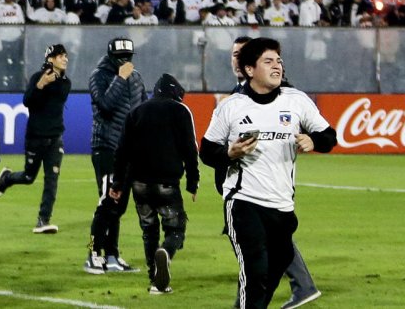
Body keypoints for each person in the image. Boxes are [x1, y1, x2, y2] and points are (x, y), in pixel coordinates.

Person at [200, 38, 337, 309]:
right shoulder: (231, 106)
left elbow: (329, 136)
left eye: (279, 60)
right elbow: (206, 151)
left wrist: (314, 141)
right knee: (255, 272)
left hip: (283, 206)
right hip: (243, 202)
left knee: (272, 274)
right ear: (250, 70)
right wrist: (230, 154)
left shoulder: (296, 100)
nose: (277, 66)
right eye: (269, 61)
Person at [226, 37, 322, 309]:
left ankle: (300, 287)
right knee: (255, 253)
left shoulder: (284, 94)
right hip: (242, 191)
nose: (236, 59)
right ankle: (296, 288)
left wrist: (311, 139)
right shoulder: (238, 95)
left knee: (258, 254)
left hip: (270, 193)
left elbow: (319, 131)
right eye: (233, 54)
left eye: (240, 55)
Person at [109, 73, 199, 295]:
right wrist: (193, 181)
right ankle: (166, 252)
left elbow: (122, 151)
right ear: (175, 93)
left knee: (149, 231)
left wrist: (118, 183)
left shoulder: (136, 112)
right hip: (166, 184)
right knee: (176, 229)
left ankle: (155, 282)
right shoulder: (180, 110)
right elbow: (190, 148)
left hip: (139, 184)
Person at [84, 37, 147, 274]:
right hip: (106, 147)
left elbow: (142, 110)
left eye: (128, 58)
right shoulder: (98, 76)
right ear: (111, 57)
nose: (125, 62)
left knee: (118, 206)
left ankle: (111, 255)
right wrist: (120, 78)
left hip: (128, 151)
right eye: (121, 58)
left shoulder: (137, 77)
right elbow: (105, 105)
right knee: (107, 202)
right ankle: (92, 252)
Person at [0, 43, 70, 234]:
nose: (65, 59)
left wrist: (49, 84)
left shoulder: (65, 82)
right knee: (29, 177)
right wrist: (40, 85)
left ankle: (43, 220)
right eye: (61, 56)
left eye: (65, 56)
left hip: (55, 139)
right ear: (50, 59)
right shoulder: (37, 78)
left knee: (51, 180)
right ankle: (7, 179)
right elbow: (28, 101)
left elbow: (56, 97)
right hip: (35, 137)